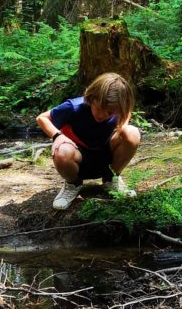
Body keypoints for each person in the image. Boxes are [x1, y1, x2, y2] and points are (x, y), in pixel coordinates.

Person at [38, 72, 142, 210]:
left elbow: (126, 111)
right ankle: (73, 184)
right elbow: (42, 118)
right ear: (91, 98)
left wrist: (122, 126)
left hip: (106, 155)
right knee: (61, 151)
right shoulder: (73, 107)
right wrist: (57, 136)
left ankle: (111, 179)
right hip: (78, 159)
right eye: (99, 108)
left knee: (132, 133)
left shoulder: (119, 108)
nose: (103, 115)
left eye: (110, 112)